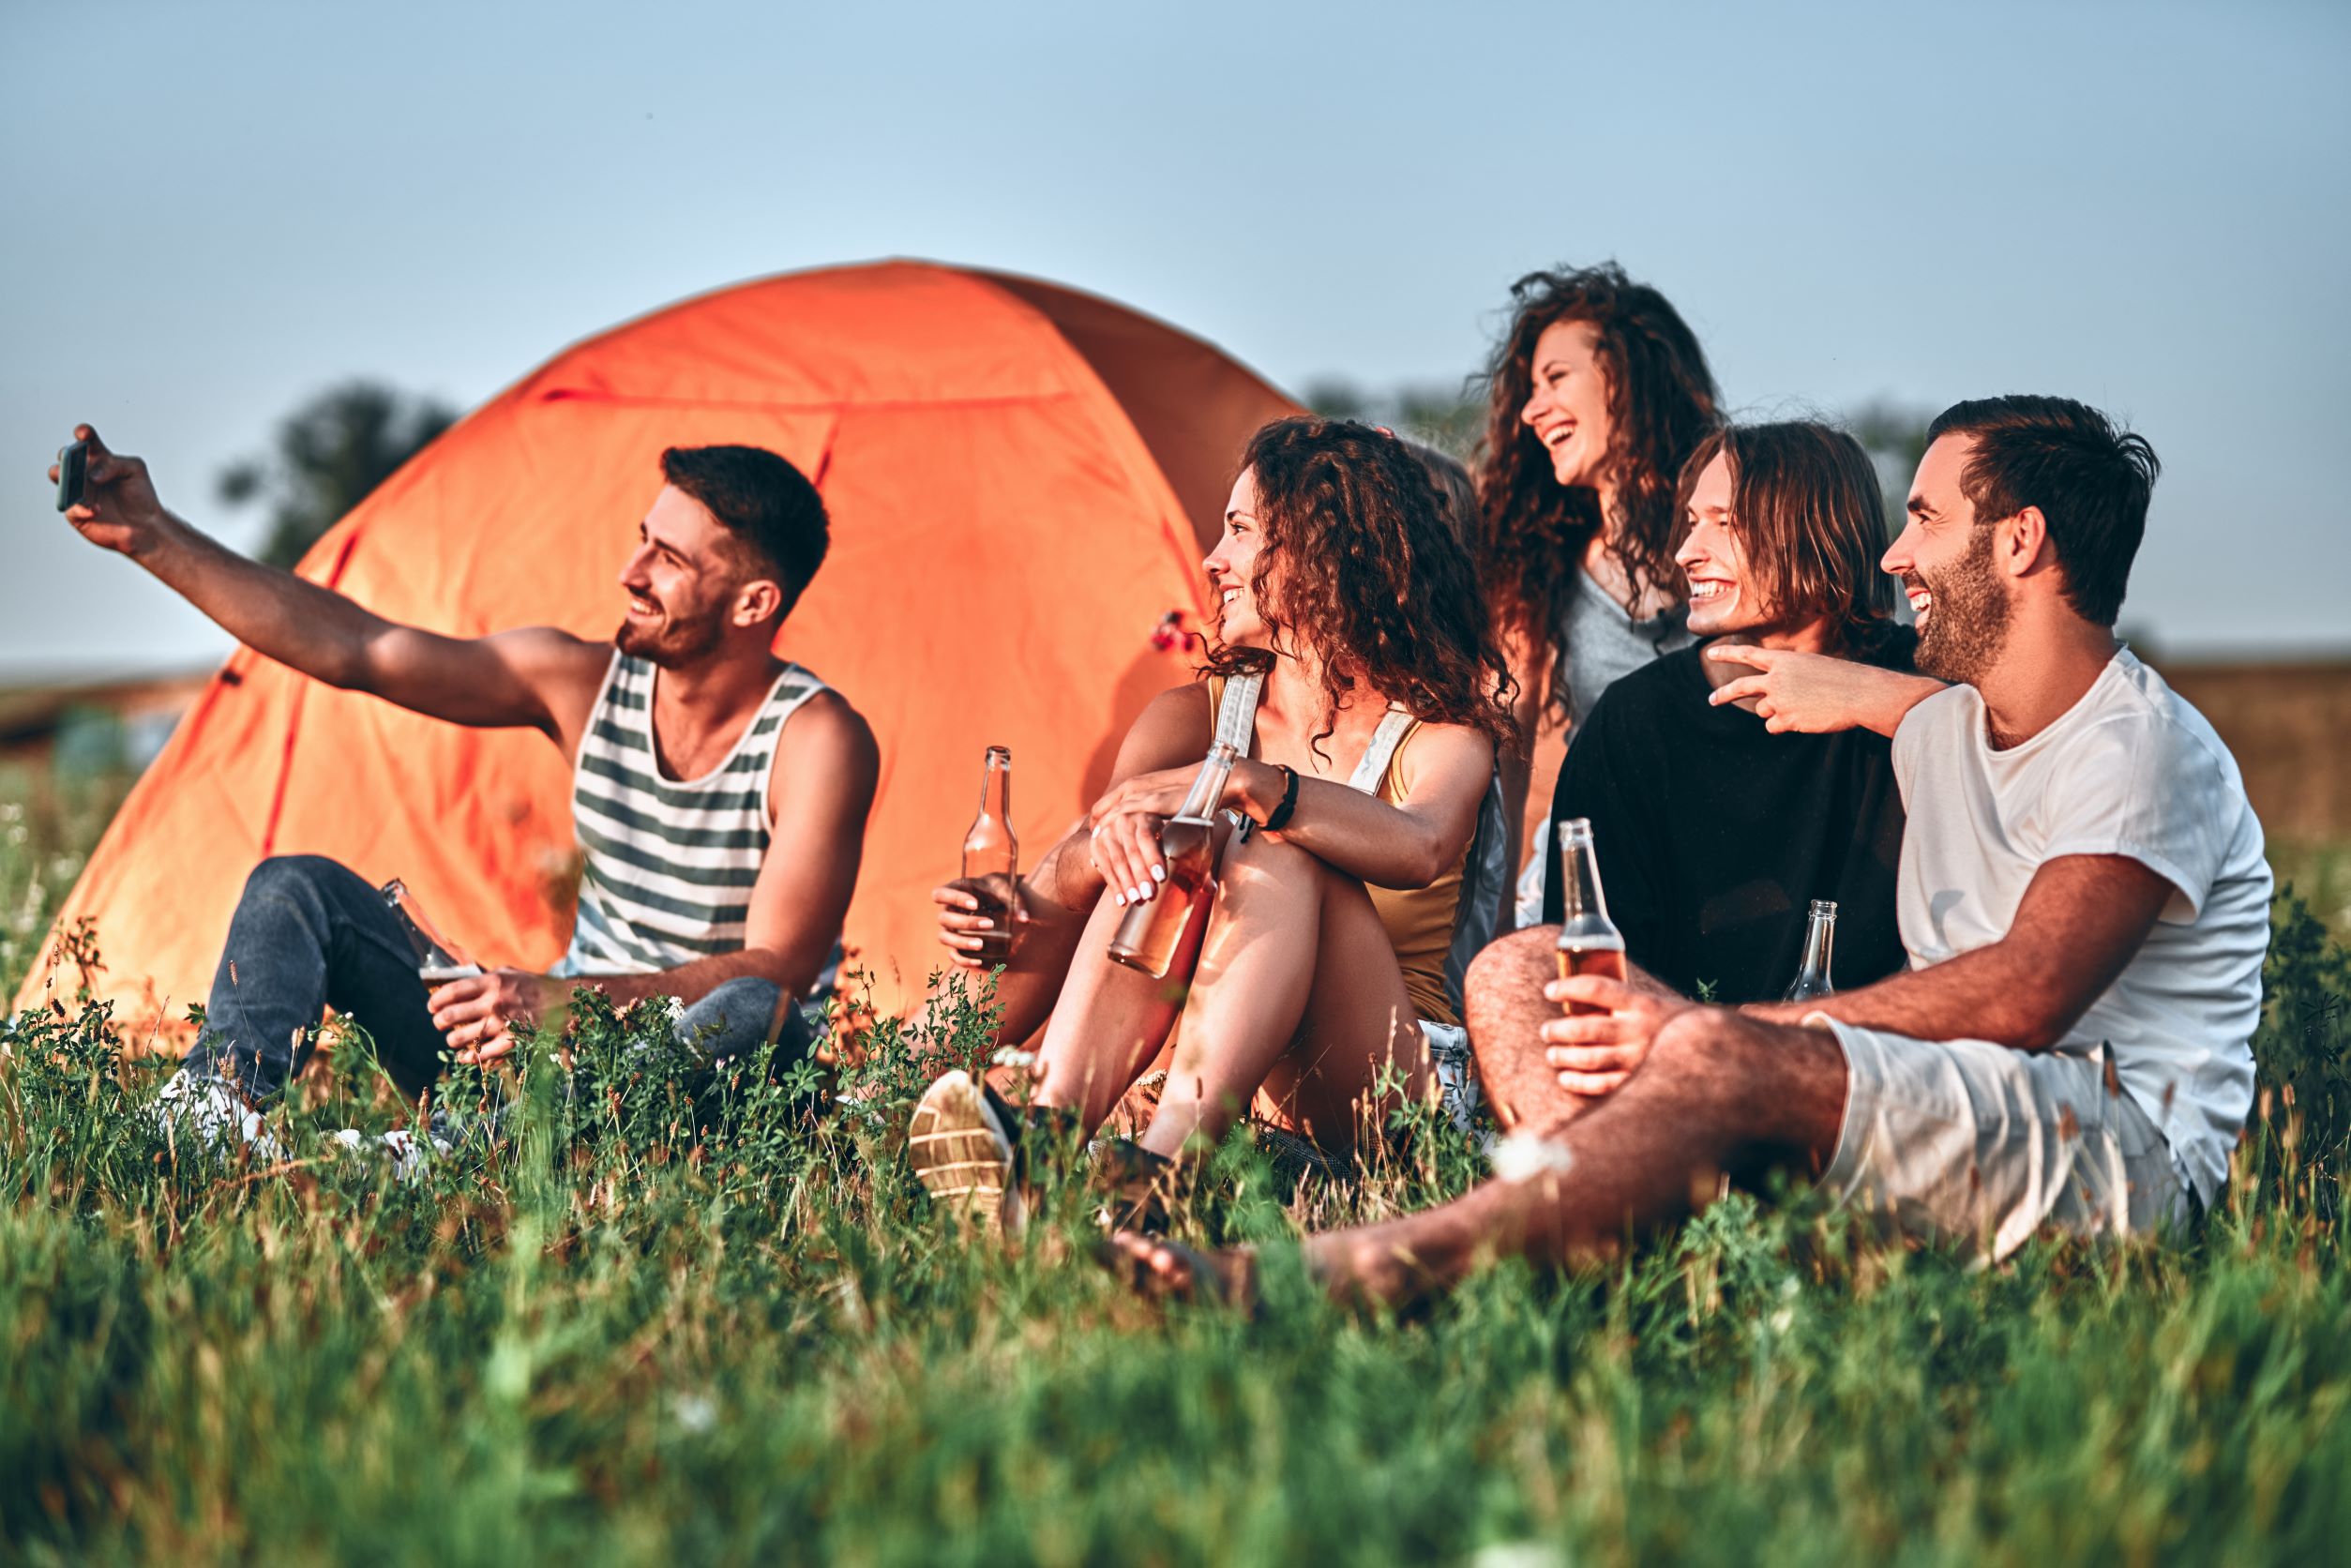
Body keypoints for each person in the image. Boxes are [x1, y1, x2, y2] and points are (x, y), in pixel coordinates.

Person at [1103, 394, 2271, 1308]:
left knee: (1709, 1053)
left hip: (2102, 1142)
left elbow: (2026, 993)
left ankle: (1369, 1270)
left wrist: (1706, 1033)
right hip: (1934, 1099)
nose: (1892, 557)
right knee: (1516, 971)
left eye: (1922, 519)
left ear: (2019, 541)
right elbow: (1908, 701)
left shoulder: (2139, 746)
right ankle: (1628, 1243)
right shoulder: (1950, 723)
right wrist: (1829, 683)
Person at [51, 428, 880, 1152]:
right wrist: (152, 536)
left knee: (752, 1009)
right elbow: (361, 648)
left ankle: (453, 1154)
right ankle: (209, 1117)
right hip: (544, 1056)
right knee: (295, 889)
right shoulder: (583, 684)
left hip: (703, 1082)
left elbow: (779, 969)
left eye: (668, 560)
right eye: (643, 540)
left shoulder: (816, 739)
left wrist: (568, 1004)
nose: (631, 571)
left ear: (753, 603)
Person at [912, 417, 1515, 1230]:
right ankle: (1047, 1143)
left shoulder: (1443, 735)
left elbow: (1420, 845)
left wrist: (1250, 783)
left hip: (1385, 1088)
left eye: (1239, 531)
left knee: (1281, 851)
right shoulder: (1185, 717)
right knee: (1162, 849)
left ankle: (1157, 1179)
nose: (1211, 561)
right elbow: (1107, 855)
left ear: (1322, 553)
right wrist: (1064, 871)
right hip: (1227, 1069)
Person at [1508, 420, 1932, 1019]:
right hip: (1677, 1052)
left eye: (1725, 523)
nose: (1685, 552)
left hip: (1878, 1058)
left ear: (1817, 529)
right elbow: (1589, 967)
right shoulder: (1634, 721)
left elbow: (2030, 758)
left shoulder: (1929, 685)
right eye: (1691, 522)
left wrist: (1873, 700)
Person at [1471, 264, 1724, 878]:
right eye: (1530, 388)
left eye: (1555, 377)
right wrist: (1499, 918)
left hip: (1726, 867)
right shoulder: (1536, 564)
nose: (1531, 411)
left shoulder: (1740, 535)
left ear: (1629, 376)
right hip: (1592, 875)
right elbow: (1507, 758)